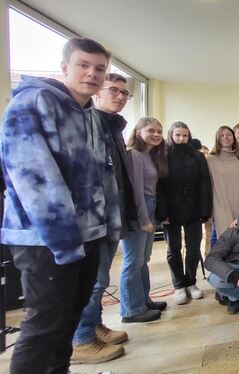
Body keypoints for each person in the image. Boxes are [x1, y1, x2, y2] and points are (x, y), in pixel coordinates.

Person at [0, 37, 120, 373]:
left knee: (69, 318)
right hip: (46, 241)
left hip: (89, 234)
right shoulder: (33, 103)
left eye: (99, 69)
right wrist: (66, 244)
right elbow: (35, 181)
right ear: (64, 67)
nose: (91, 74)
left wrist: (108, 228)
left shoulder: (90, 116)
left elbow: (102, 179)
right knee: (44, 327)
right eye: (83, 65)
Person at [71, 73, 135, 364]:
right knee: (92, 280)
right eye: (114, 91)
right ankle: (81, 339)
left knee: (100, 278)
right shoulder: (88, 123)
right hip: (92, 219)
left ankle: (94, 326)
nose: (120, 96)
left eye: (125, 93)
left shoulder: (113, 127)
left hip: (111, 215)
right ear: (98, 93)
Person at [157, 121, 212, 305]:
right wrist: (161, 212)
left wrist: (205, 210)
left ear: (189, 136)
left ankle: (191, 282)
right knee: (173, 249)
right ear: (171, 135)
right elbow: (159, 187)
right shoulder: (162, 155)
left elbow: (204, 184)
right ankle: (178, 285)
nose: (181, 138)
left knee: (194, 248)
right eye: (178, 135)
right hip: (170, 211)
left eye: (185, 135)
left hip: (193, 209)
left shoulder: (197, 157)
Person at [120, 117, 169, 323]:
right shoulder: (134, 154)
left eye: (159, 131)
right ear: (138, 131)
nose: (156, 134)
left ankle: (143, 300)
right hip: (139, 210)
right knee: (132, 262)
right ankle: (131, 310)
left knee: (143, 259)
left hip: (150, 206)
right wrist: (143, 219)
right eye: (151, 130)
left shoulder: (151, 155)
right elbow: (135, 191)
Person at [207, 125, 239, 239]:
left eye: (229, 135)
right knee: (226, 240)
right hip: (220, 206)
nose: (226, 137)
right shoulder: (211, 159)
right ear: (218, 138)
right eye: (222, 135)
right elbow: (209, 186)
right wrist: (209, 211)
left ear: (233, 138)